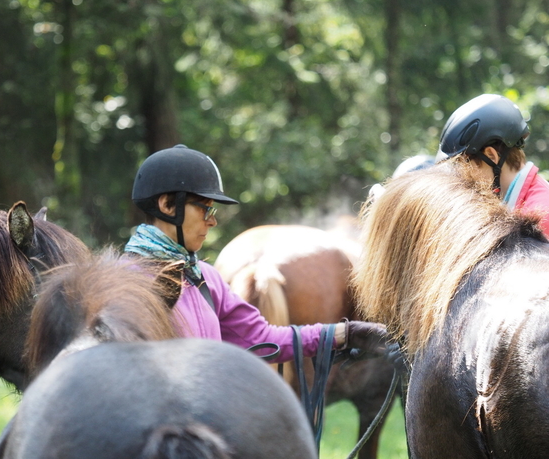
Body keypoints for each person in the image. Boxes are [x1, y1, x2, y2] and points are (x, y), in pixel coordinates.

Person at [125, 144, 391, 364]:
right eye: (205, 209)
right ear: (168, 205)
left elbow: (262, 338)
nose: (212, 221)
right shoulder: (123, 282)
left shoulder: (206, 278)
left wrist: (345, 333)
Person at [436, 93, 549, 237]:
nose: (463, 179)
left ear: (491, 156)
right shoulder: (514, 205)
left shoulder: (540, 218)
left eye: (464, 167)